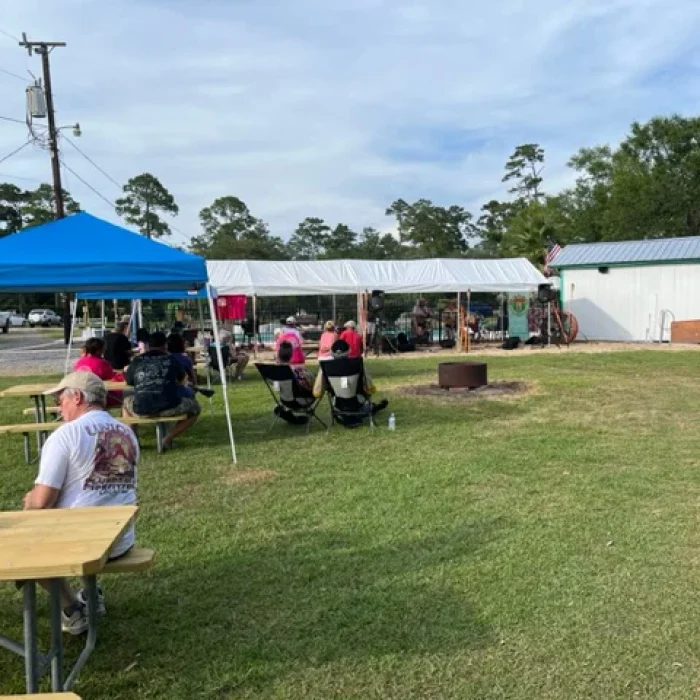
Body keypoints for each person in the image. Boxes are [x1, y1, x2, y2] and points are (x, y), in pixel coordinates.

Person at [22, 371, 139, 634]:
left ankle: (72, 609)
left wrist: (30, 501)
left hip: (83, 540)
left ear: (77, 397)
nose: (57, 407)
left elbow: (41, 501)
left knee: (26, 545)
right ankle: (91, 595)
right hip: (121, 540)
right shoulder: (127, 432)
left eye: (60, 399)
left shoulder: (65, 435)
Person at [124, 331, 200, 449]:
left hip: (141, 406)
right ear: (165, 345)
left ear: (148, 345)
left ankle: (134, 440)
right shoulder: (172, 360)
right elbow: (181, 379)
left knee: (125, 403)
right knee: (195, 408)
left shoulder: (137, 360)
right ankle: (168, 437)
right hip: (170, 406)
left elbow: (129, 381)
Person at [313, 339, 388, 418]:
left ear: (332, 352)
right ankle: (372, 407)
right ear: (349, 351)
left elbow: (317, 392)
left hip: (337, 403)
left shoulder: (325, 367)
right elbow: (369, 387)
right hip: (357, 401)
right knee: (365, 400)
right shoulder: (357, 364)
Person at [74, 337, 124, 407]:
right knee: (128, 397)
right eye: (103, 349)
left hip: (82, 396)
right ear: (98, 350)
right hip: (99, 397)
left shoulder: (79, 362)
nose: (105, 350)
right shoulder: (102, 363)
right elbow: (113, 377)